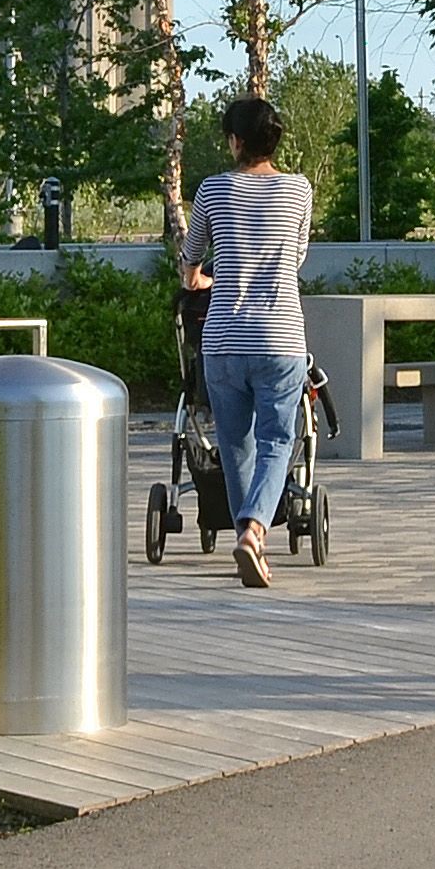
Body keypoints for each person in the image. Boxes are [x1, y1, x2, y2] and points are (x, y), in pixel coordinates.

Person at [180, 90, 315, 590]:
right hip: (280, 337)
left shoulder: (212, 191)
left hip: (223, 340)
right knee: (279, 439)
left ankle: (245, 533)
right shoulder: (299, 190)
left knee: (235, 442)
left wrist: (202, 278)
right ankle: (256, 530)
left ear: (235, 142)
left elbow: (191, 263)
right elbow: (296, 257)